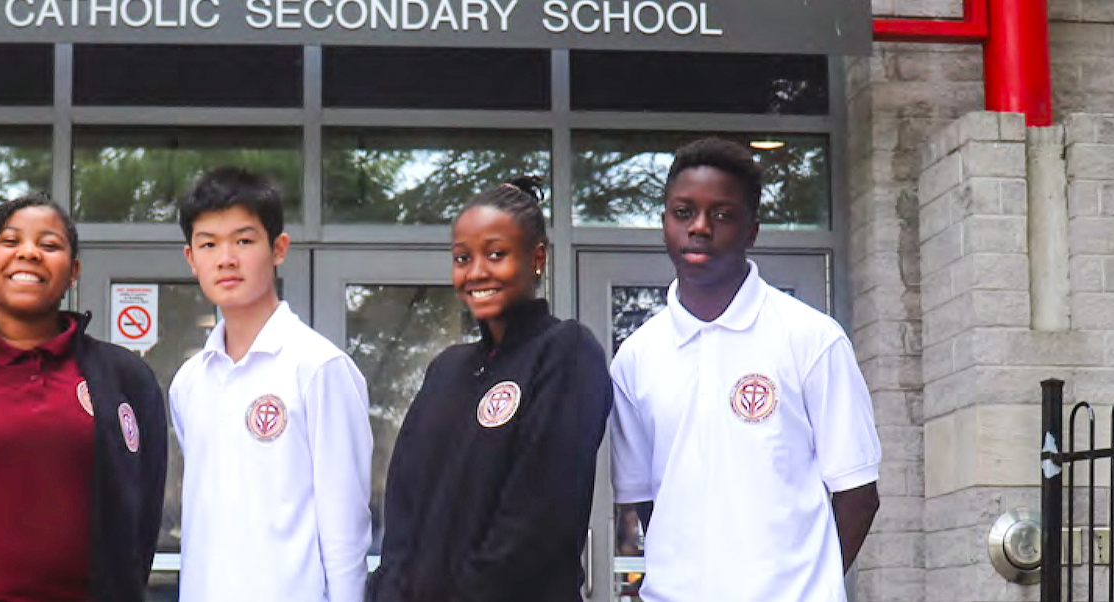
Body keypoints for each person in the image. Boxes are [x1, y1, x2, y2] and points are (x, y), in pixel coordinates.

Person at [609, 138, 881, 602]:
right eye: (683, 212)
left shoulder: (812, 338)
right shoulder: (636, 357)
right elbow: (647, 500)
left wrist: (811, 589)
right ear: (664, 224)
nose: (699, 227)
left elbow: (857, 495)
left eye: (722, 215)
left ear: (751, 231)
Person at [0, 193, 169, 602]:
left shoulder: (126, 379)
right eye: (10, 241)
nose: (28, 253)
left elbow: (142, 513)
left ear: (73, 272)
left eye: (49, 244)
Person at [368, 176, 612, 602]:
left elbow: (537, 520)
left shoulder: (566, 352)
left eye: (496, 254)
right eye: (463, 257)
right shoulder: (447, 370)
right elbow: (404, 508)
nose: (477, 271)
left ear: (537, 258)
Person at [166, 167, 371, 602]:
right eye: (208, 244)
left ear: (278, 249)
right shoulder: (189, 382)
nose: (226, 259)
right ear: (191, 258)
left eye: (243, 241)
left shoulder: (318, 367)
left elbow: (345, 530)